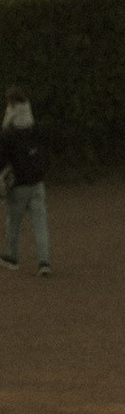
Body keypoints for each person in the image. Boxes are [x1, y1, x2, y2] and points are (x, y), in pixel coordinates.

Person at [1, 85, 48, 277]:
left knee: (13, 222)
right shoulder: (32, 125)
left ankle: (12, 256)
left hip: (19, 184)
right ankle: (44, 261)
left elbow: (2, 158)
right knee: (40, 223)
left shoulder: (9, 130)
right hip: (37, 182)